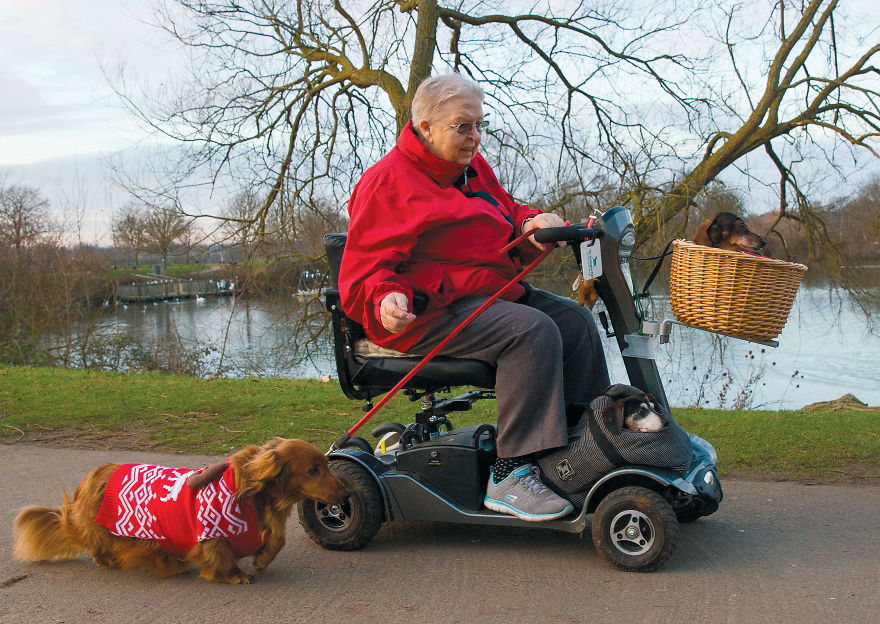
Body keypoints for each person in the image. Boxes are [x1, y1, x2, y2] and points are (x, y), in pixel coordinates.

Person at [338, 73, 610, 521]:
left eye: (480, 125)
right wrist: (386, 299)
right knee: (530, 331)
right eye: (462, 126)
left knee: (575, 322)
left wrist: (530, 223)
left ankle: (583, 449)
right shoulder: (387, 182)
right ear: (425, 127)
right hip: (425, 313)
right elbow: (365, 271)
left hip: (485, 293)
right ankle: (510, 473)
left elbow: (505, 211)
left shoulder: (471, 168)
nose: (475, 137)